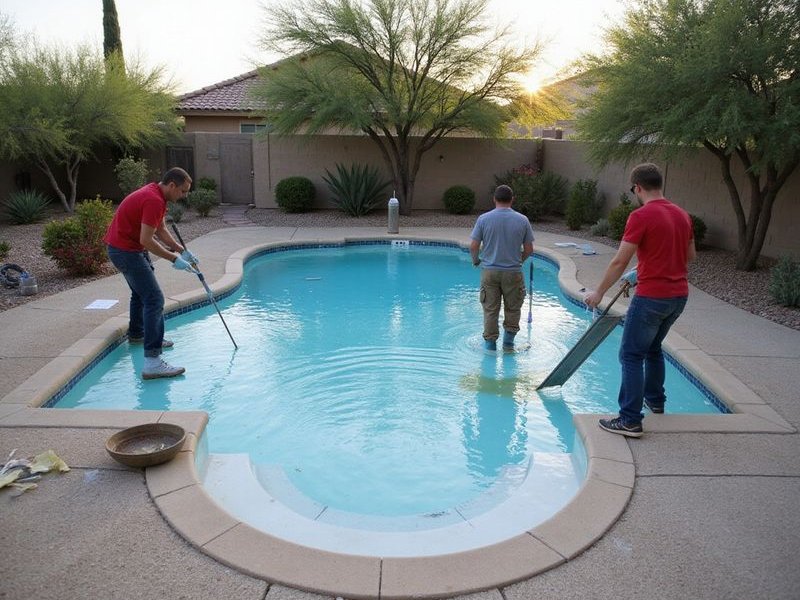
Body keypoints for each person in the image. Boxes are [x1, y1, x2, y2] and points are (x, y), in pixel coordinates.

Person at [584, 163, 696, 438]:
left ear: (637, 188)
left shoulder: (641, 216)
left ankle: (630, 420)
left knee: (631, 355)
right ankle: (656, 402)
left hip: (652, 298)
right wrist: (641, 271)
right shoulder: (682, 215)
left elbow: (620, 259)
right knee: (654, 349)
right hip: (678, 297)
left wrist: (598, 292)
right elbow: (690, 256)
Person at [104, 167, 198, 380]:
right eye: (182, 191)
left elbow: (160, 230)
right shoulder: (154, 200)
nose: (184, 196)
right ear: (172, 185)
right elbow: (146, 240)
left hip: (125, 248)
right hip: (126, 251)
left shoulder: (157, 194)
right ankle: (153, 362)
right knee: (155, 299)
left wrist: (182, 250)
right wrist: (175, 259)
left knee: (141, 294)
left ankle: (138, 334)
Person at [470, 184, 535, 351]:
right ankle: (508, 344)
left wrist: (476, 260)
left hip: (489, 272)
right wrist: (518, 261)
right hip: (513, 272)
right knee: (513, 308)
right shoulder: (522, 220)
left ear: (494, 199)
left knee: (490, 310)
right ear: (512, 200)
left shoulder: (483, 219)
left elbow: (474, 245)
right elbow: (529, 250)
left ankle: (490, 345)